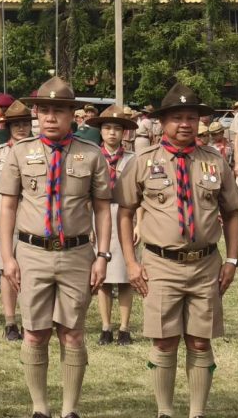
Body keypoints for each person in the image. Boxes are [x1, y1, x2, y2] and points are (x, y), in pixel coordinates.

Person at [114, 83, 238, 418]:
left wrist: (232, 259)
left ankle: (197, 413)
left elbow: (231, 212)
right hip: (161, 264)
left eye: (191, 118)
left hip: (205, 264)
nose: (185, 124)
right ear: (162, 122)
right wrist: (131, 262)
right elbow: (125, 212)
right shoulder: (143, 161)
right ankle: (165, 411)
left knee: (200, 341)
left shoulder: (214, 161)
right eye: (177, 117)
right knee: (164, 340)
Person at [0, 76, 112, 418]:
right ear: (36, 113)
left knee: (73, 333)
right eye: (44, 110)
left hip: (76, 254)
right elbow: (7, 206)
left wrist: (103, 256)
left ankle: (70, 409)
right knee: (35, 332)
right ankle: (40, 408)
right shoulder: (20, 152)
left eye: (58, 110)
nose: (50, 117)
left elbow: (102, 209)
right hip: (32, 253)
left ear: (72, 115)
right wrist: (7, 256)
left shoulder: (91, 154)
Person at [85, 105, 138, 346]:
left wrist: (140, 224)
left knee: (126, 276)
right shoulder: (93, 156)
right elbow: (85, 194)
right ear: (101, 131)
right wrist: (88, 226)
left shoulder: (133, 159)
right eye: (107, 128)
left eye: (117, 128)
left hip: (127, 215)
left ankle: (124, 327)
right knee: (103, 276)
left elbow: (141, 194)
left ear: (124, 132)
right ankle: (106, 326)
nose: (112, 133)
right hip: (100, 215)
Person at [0, 99, 33, 342]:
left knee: (30, 270)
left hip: (31, 213)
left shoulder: (39, 151)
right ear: (9, 127)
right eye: (16, 124)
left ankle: (29, 321)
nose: (21, 128)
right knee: (5, 268)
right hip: (3, 214)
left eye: (25, 123)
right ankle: (10, 322)